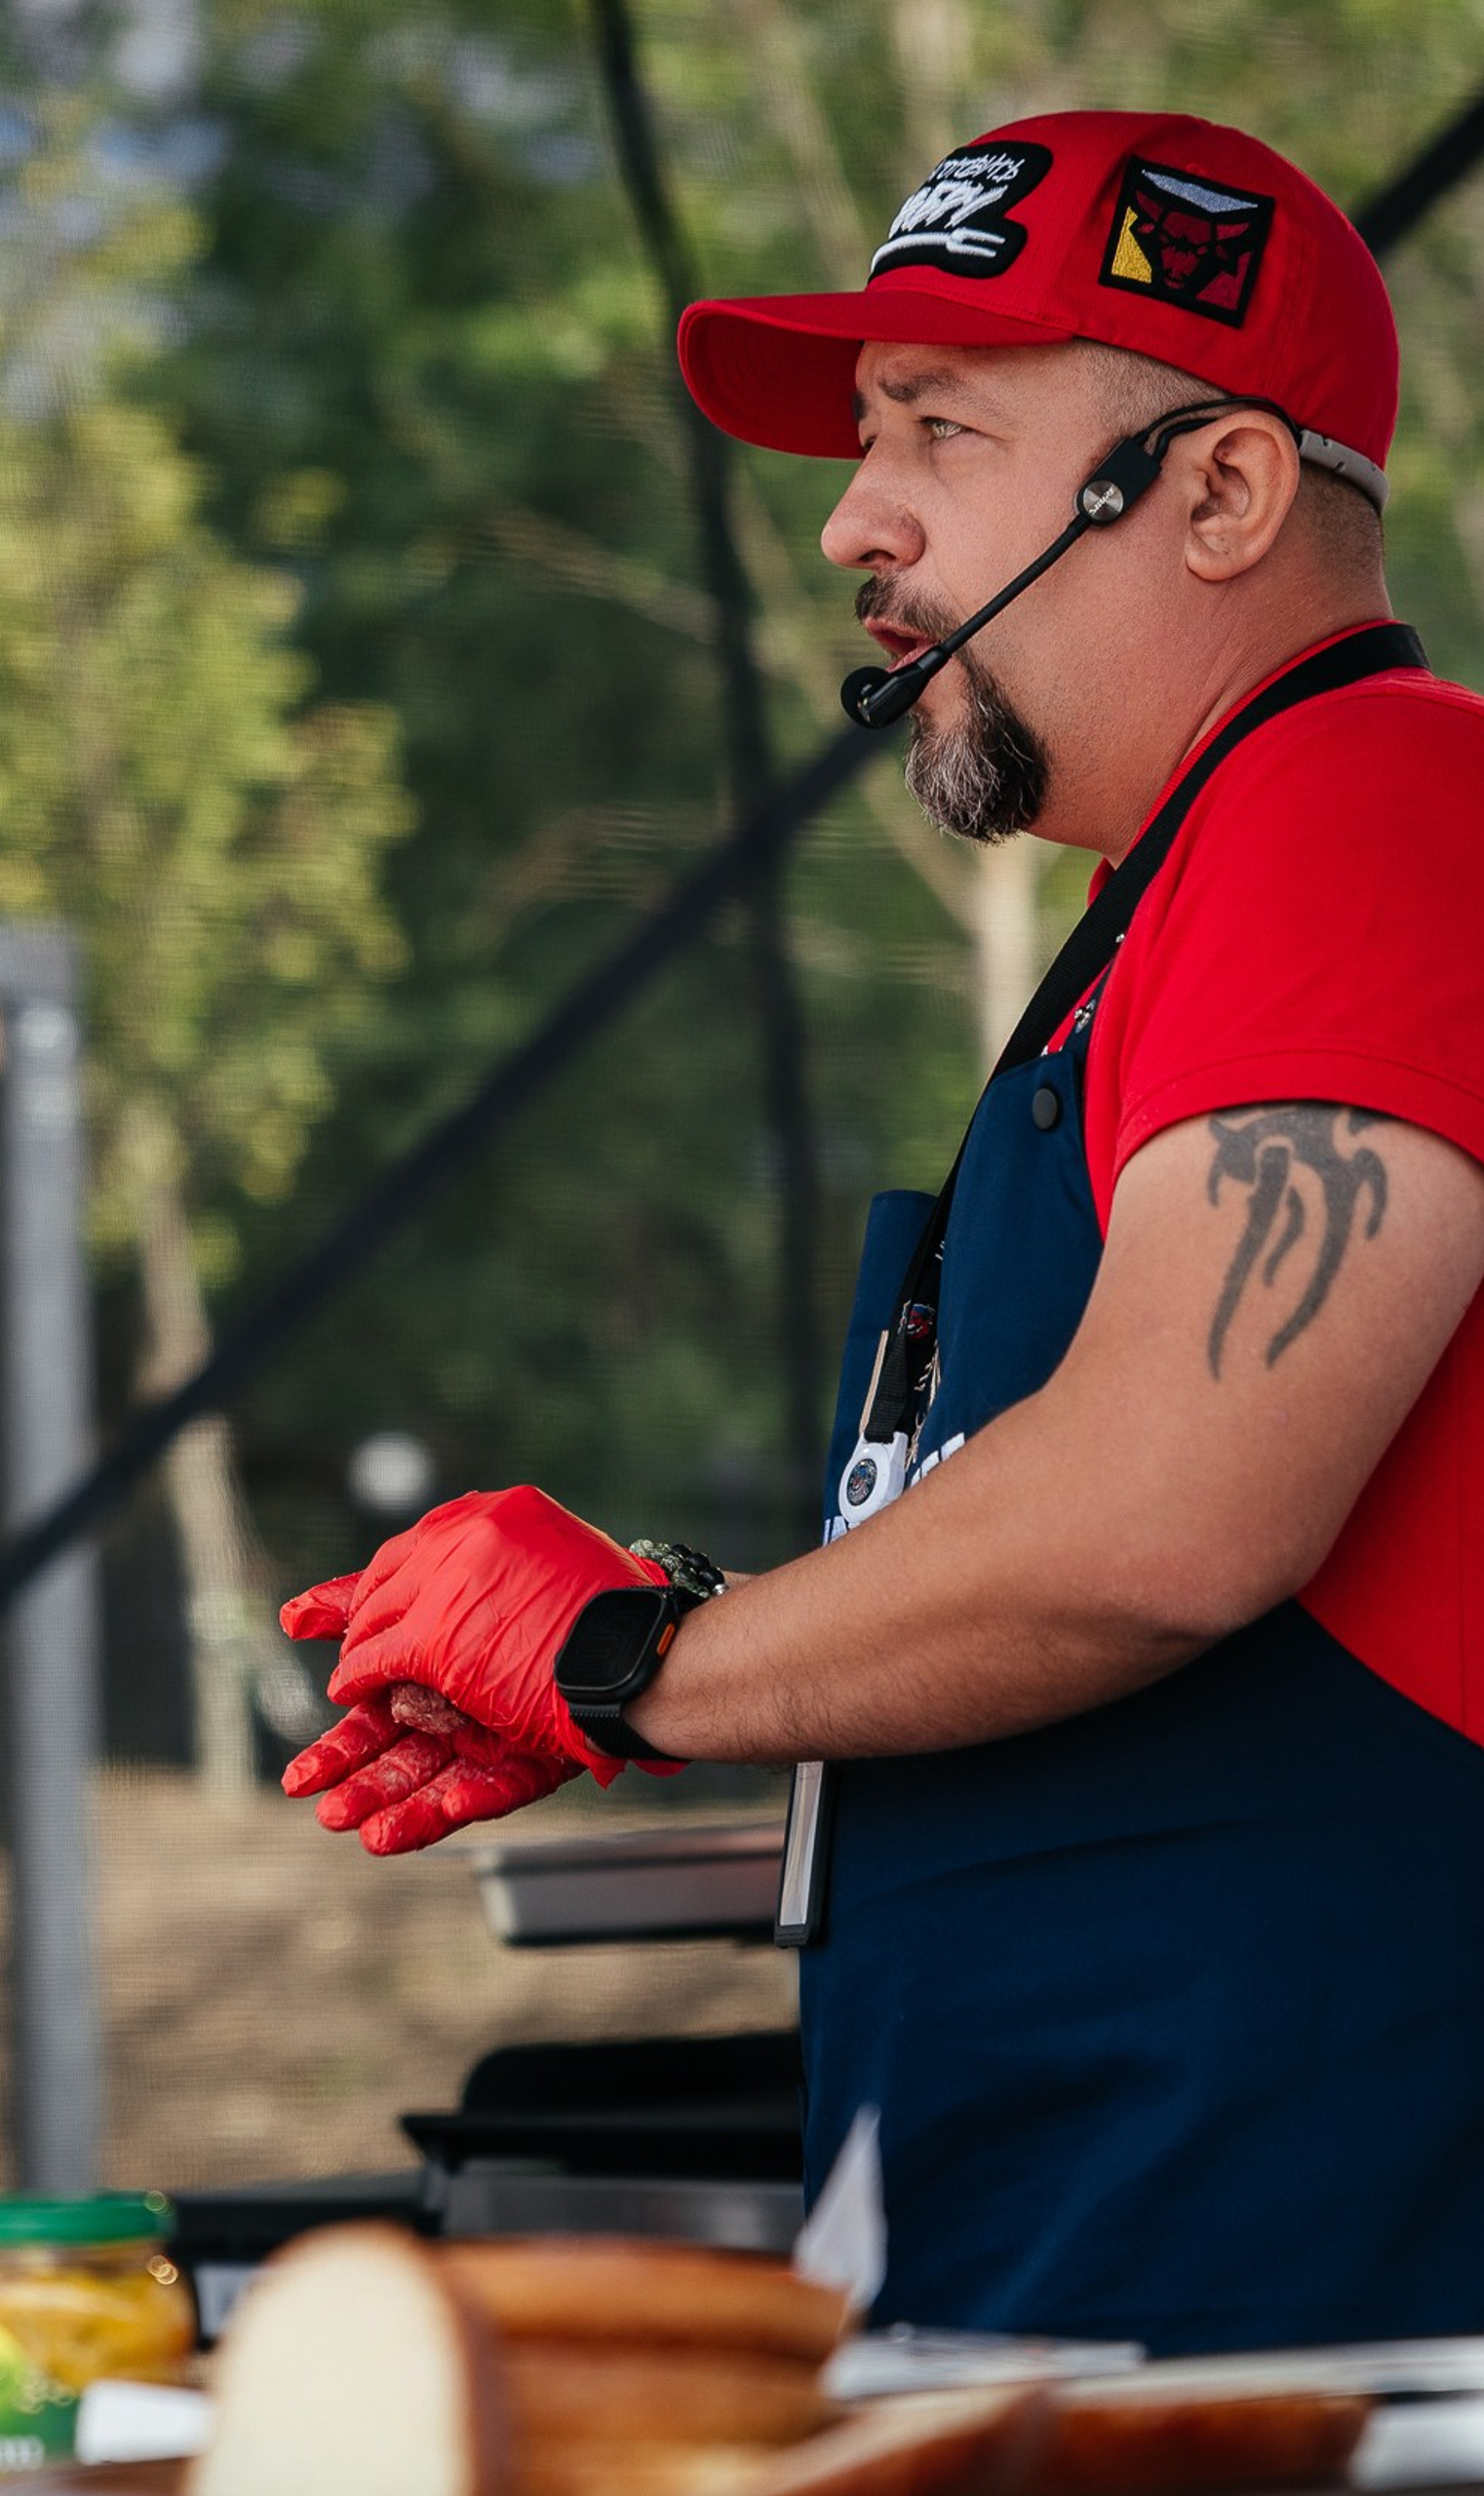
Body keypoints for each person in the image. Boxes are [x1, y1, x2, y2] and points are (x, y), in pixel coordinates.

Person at [279, 110, 1484, 2356]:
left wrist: (633, 1661)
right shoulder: (1176, 890)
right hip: (1112, 2288)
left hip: (1322, 2318)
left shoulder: (1366, 791)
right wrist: (660, 1632)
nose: (851, 519)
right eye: (861, 437)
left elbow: (1157, 1515)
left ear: (1218, 492)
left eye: (939, 431)